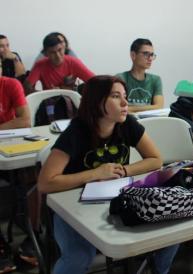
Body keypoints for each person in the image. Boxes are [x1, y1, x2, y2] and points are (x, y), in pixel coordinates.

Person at [37, 75, 178, 274]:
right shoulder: (76, 131)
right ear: (97, 102)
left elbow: (155, 159)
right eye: (115, 96)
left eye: (125, 95)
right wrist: (93, 174)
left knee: (171, 230)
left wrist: (125, 170)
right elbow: (45, 183)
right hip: (72, 208)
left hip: (116, 198)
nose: (124, 102)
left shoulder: (127, 123)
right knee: (78, 256)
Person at [0, 58, 32, 273]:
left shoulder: (10, 85)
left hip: (11, 147)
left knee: (36, 176)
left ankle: (33, 237)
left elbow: (24, 120)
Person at [26, 33, 94, 93]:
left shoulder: (74, 62)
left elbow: (95, 82)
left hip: (71, 99)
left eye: (60, 50)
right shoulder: (39, 65)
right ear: (46, 53)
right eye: (52, 52)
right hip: (49, 101)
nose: (58, 56)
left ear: (64, 48)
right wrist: (46, 93)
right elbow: (26, 88)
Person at [116, 38, 164, 112]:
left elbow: (159, 107)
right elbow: (118, 108)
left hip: (150, 121)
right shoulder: (120, 78)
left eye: (151, 55)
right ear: (133, 55)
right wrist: (151, 107)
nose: (150, 58)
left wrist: (130, 109)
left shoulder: (155, 80)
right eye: (146, 54)